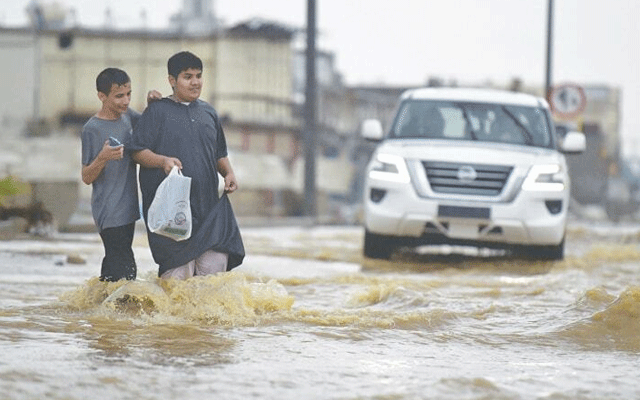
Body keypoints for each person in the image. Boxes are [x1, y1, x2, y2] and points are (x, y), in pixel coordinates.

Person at [129, 51, 245, 280]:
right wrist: (162, 161)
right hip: (172, 214)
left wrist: (228, 173)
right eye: (187, 76)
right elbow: (137, 152)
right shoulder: (156, 111)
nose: (195, 82)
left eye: (199, 76)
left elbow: (219, 153)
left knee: (213, 281)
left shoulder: (209, 113)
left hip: (208, 211)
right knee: (176, 283)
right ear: (172, 81)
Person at [81, 68, 161, 281]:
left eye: (129, 94)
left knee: (113, 265)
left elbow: (149, 124)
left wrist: (152, 104)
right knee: (126, 269)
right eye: (119, 96)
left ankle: (98, 309)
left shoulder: (128, 116)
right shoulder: (92, 129)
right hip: (108, 210)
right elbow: (86, 177)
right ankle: (121, 308)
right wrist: (103, 157)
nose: (125, 101)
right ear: (102, 96)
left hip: (128, 208)